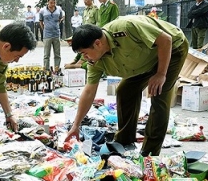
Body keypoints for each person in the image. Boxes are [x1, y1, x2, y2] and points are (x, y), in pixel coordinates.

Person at [64, 15, 188, 156]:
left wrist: (160, 74)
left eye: (85, 53)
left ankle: (149, 154)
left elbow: (166, 40)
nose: (85, 58)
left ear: (98, 43)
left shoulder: (127, 27)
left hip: (172, 49)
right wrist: (76, 126)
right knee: (125, 91)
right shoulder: (95, 61)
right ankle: (124, 142)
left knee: (158, 95)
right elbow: (88, 92)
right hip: (144, 61)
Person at [40, 0, 64, 69]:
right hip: (47, 35)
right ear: (47, 2)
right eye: (51, 3)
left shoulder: (59, 9)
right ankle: (46, 69)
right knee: (46, 54)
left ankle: (56, 68)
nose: (52, 4)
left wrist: (57, 23)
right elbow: (40, 21)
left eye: (54, 2)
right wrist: (45, 28)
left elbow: (62, 17)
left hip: (56, 34)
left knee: (57, 54)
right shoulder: (42, 11)